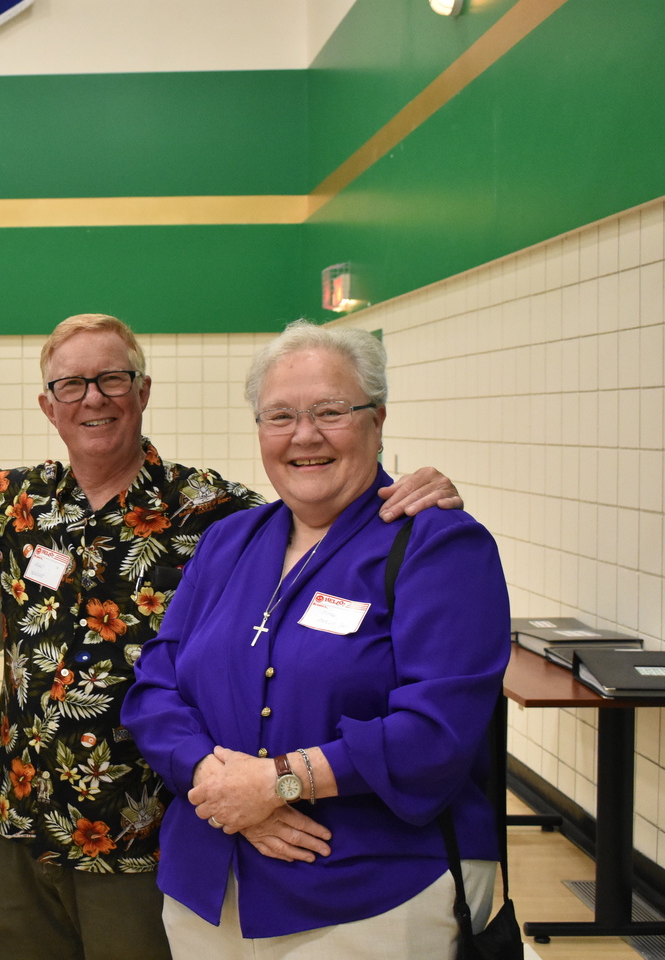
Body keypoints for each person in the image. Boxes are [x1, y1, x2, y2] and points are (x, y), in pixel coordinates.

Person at [0, 314, 463, 960]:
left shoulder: (218, 514)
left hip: (147, 832)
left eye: (113, 379)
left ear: (142, 391)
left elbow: (321, 503)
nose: (94, 398)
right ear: (48, 405)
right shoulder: (15, 502)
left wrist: (417, 492)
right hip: (18, 818)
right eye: (72, 385)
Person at [120, 320, 509, 958]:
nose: (304, 435)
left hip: (372, 890)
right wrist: (221, 784)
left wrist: (276, 784)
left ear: (376, 420)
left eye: (331, 411)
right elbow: (155, 688)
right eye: (280, 416)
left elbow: (435, 732)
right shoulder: (228, 541)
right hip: (209, 884)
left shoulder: (437, 545)